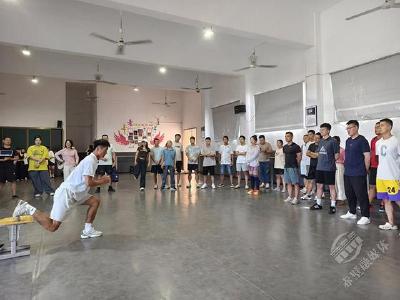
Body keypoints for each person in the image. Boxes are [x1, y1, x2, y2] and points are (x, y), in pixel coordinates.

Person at [12, 139, 111, 239]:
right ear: (99, 149)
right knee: (52, 226)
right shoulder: (90, 160)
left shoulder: (93, 159)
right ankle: (26, 208)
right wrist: (104, 180)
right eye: (105, 150)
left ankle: (88, 230)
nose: (106, 153)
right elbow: (88, 182)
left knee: (95, 201)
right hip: (67, 194)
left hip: (77, 193)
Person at [340, 120, 371, 225]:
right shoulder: (348, 140)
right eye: (347, 128)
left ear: (356, 127)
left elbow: (367, 156)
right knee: (349, 193)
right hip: (348, 172)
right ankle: (352, 212)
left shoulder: (362, 140)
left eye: (350, 128)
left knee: (361, 194)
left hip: (358, 172)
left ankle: (366, 216)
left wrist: (365, 170)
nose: (348, 130)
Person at [375, 118, 400, 231]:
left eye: (383, 125)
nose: (380, 127)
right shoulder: (378, 142)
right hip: (381, 177)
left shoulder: (396, 140)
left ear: (389, 127)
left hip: (392, 176)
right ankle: (391, 223)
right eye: (379, 125)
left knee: (397, 199)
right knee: (386, 200)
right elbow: (380, 159)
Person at [309, 123, 339, 214]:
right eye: (320, 129)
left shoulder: (333, 141)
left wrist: (329, 162)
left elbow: (336, 156)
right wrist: (310, 153)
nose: (321, 131)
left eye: (323, 130)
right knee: (319, 186)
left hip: (329, 168)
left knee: (331, 187)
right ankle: (318, 204)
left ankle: (333, 205)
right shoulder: (321, 141)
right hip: (319, 167)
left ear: (328, 130)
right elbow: (319, 154)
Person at [283, 132, 302, 204]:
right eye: (285, 136)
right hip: (286, 167)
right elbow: (285, 156)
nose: (286, 137)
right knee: (288, 183)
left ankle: (296, 198)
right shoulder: (284, 147)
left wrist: (296, 166)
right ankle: (290, 196)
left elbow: (299, 157)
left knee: (296, 183)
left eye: (288, 136)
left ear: (291, 137)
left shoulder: (296, 146)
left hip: (293, 167)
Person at [369, 122, 383, 212]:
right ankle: (368, 204)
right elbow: (371, 153)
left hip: (383, 167)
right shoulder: (373, 140)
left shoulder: (388, 140)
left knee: (383, 187)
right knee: (372, 186)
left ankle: (383, 204)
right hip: (373, 166)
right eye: (375, 127)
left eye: (378, 127)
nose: (376, 129)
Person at [303, 132, 321, 200]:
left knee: (318, 182)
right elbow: (307, 153)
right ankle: (308, 194)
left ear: (320, 139)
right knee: (310, 181)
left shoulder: (321, 145)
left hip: (319, 166)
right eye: (315, 138)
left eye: (318, 138)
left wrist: (312, 154)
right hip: (312, 165)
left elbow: (318, 155)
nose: (316, 139)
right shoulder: (311, 145)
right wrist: (314, 154)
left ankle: (318, 195)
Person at [333, 136, 346, 205]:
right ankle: (336, 197)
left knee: (340, 182)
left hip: (340, 166)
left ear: (338, 142)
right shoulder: (332, 149)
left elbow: (345, 160)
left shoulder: (342, 150)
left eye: (335, 141)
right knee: (334, 183)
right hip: (332, 166)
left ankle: (342, 198)